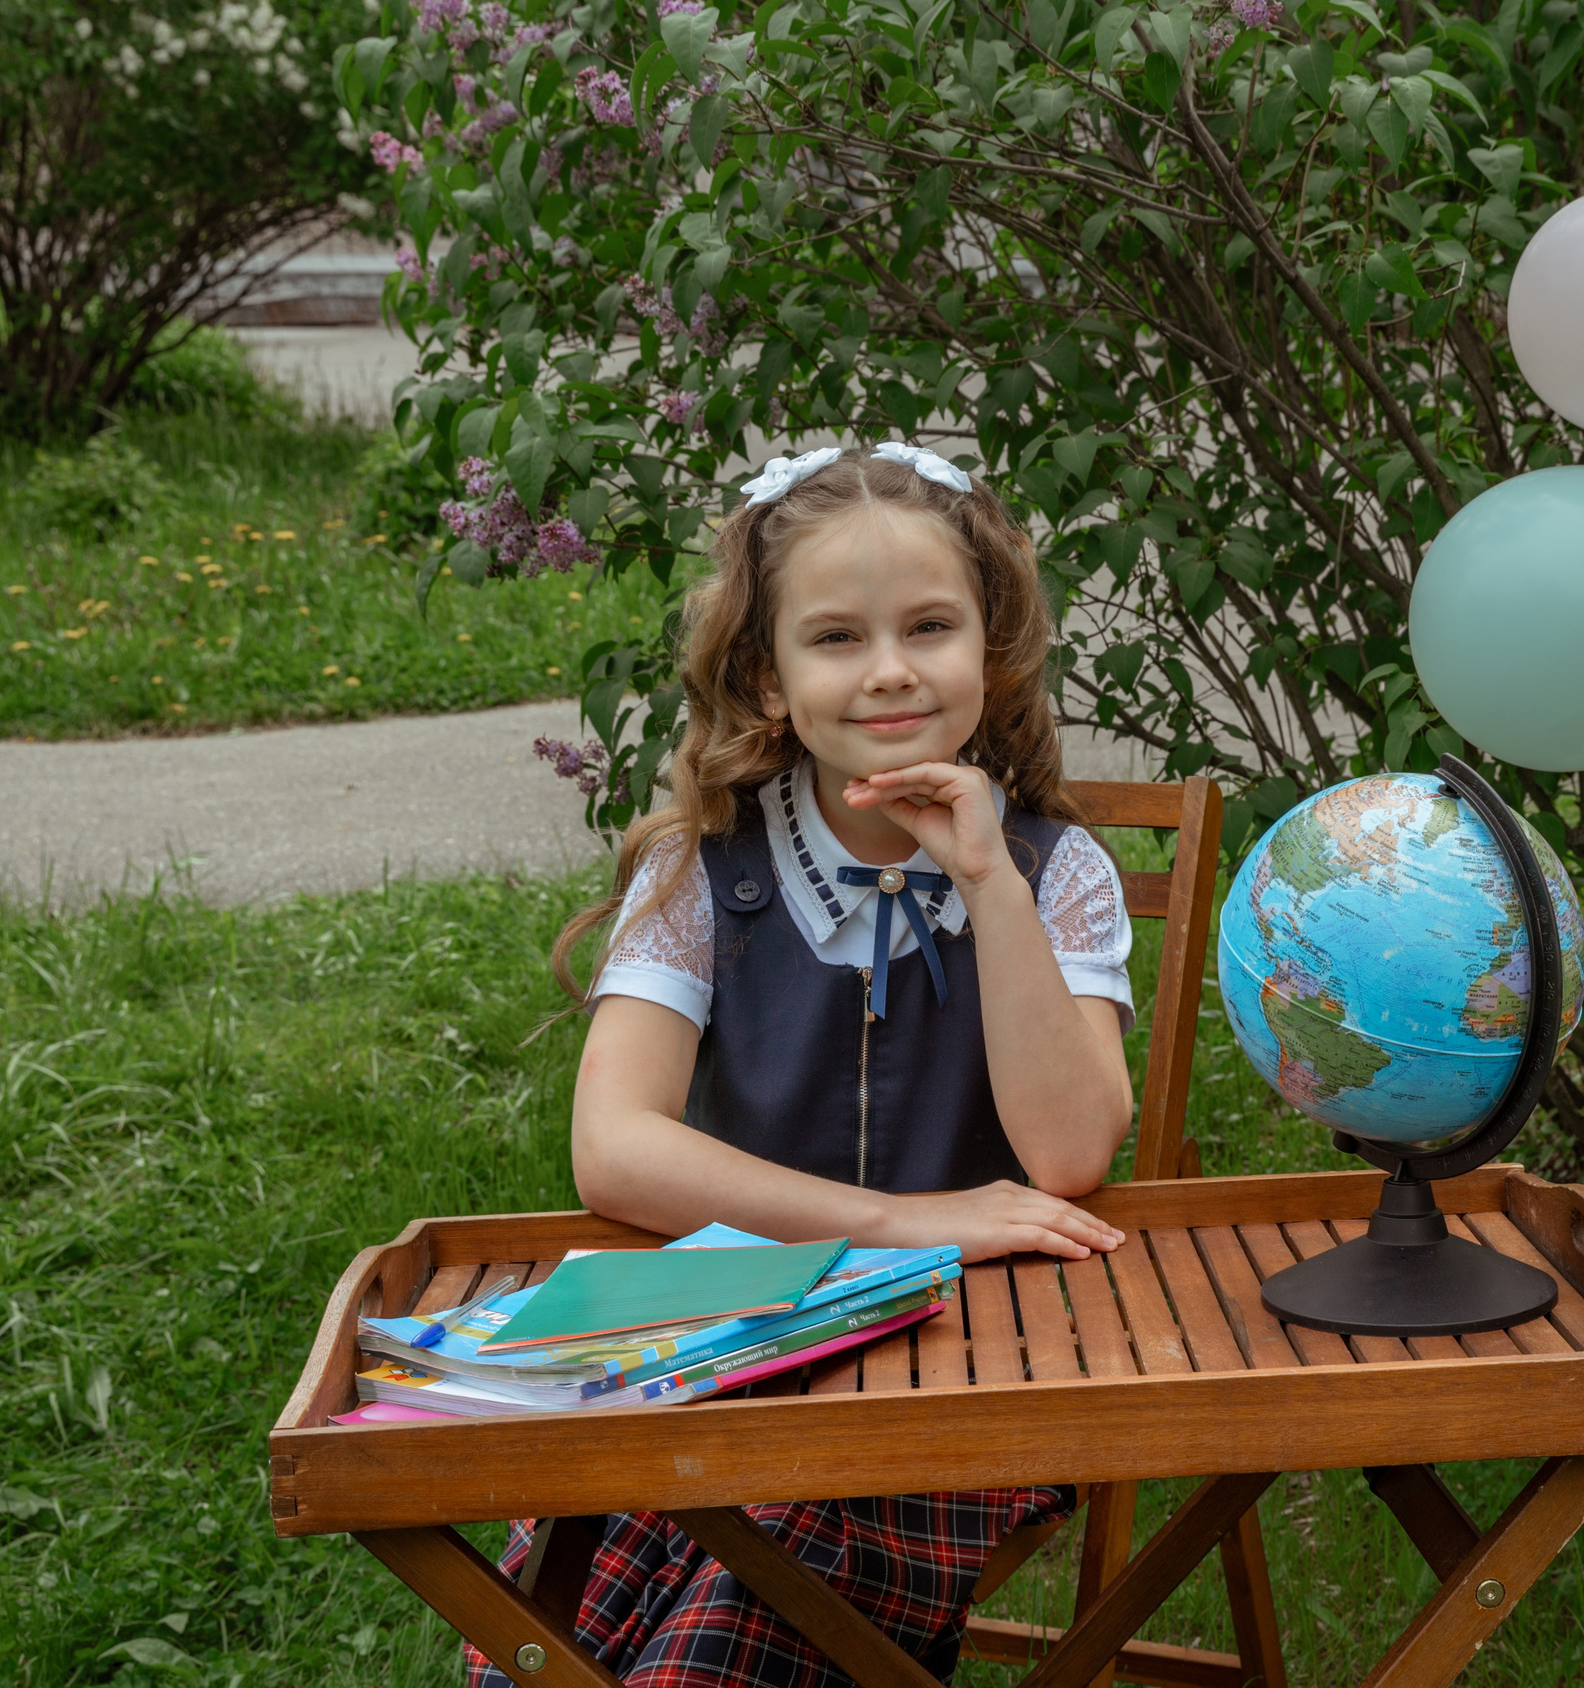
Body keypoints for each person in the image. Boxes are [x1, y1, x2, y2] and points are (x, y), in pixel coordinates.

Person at [466, 442, 1137, 1688]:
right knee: (554, 1620)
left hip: (972, 1371)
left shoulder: (1052, 873)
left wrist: (985, 881)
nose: (889, 670)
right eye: (835, 637)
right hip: (719, 1347)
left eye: (929, 626)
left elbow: (1067, 1157)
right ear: (767, 678)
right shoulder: (703, 868)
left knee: (734, 1608)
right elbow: (613, 1147)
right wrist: (901, 1222)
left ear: (988, 650)